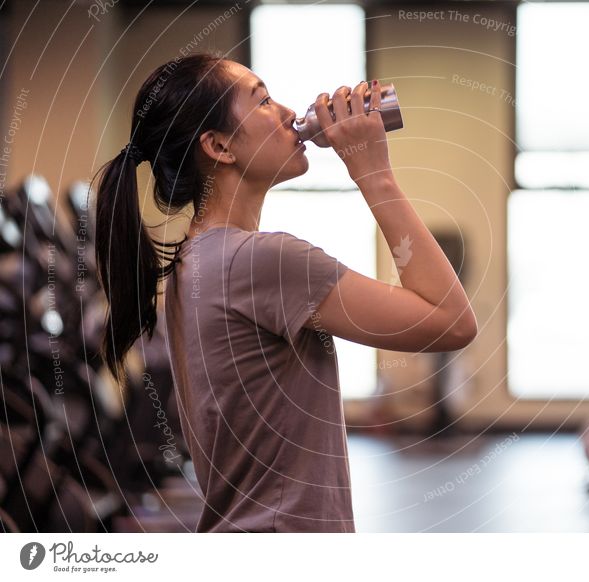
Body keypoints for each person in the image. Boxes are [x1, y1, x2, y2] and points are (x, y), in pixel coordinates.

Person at [92, 52, 477, 532]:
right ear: (220, 146)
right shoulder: (259, 262)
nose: (289, 113)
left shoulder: (198, 259)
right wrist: (372, 170)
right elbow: (451, 320)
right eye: (263, 101)